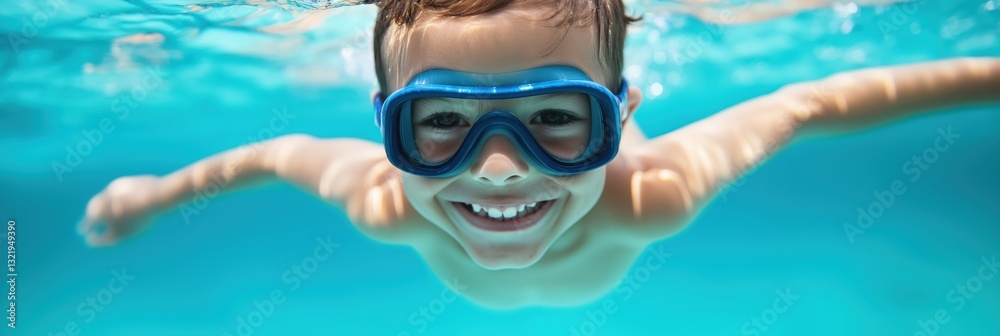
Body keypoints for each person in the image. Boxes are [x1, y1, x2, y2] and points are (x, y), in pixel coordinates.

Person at [78, 0, 1000, 308]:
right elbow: (274, 153)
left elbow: (808, 100)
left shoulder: (657, 192)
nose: (499, 167)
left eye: (558, 119)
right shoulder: (384, 199)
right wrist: (154, 193)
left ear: (616, 114)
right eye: (439, 125)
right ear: (385, 128)